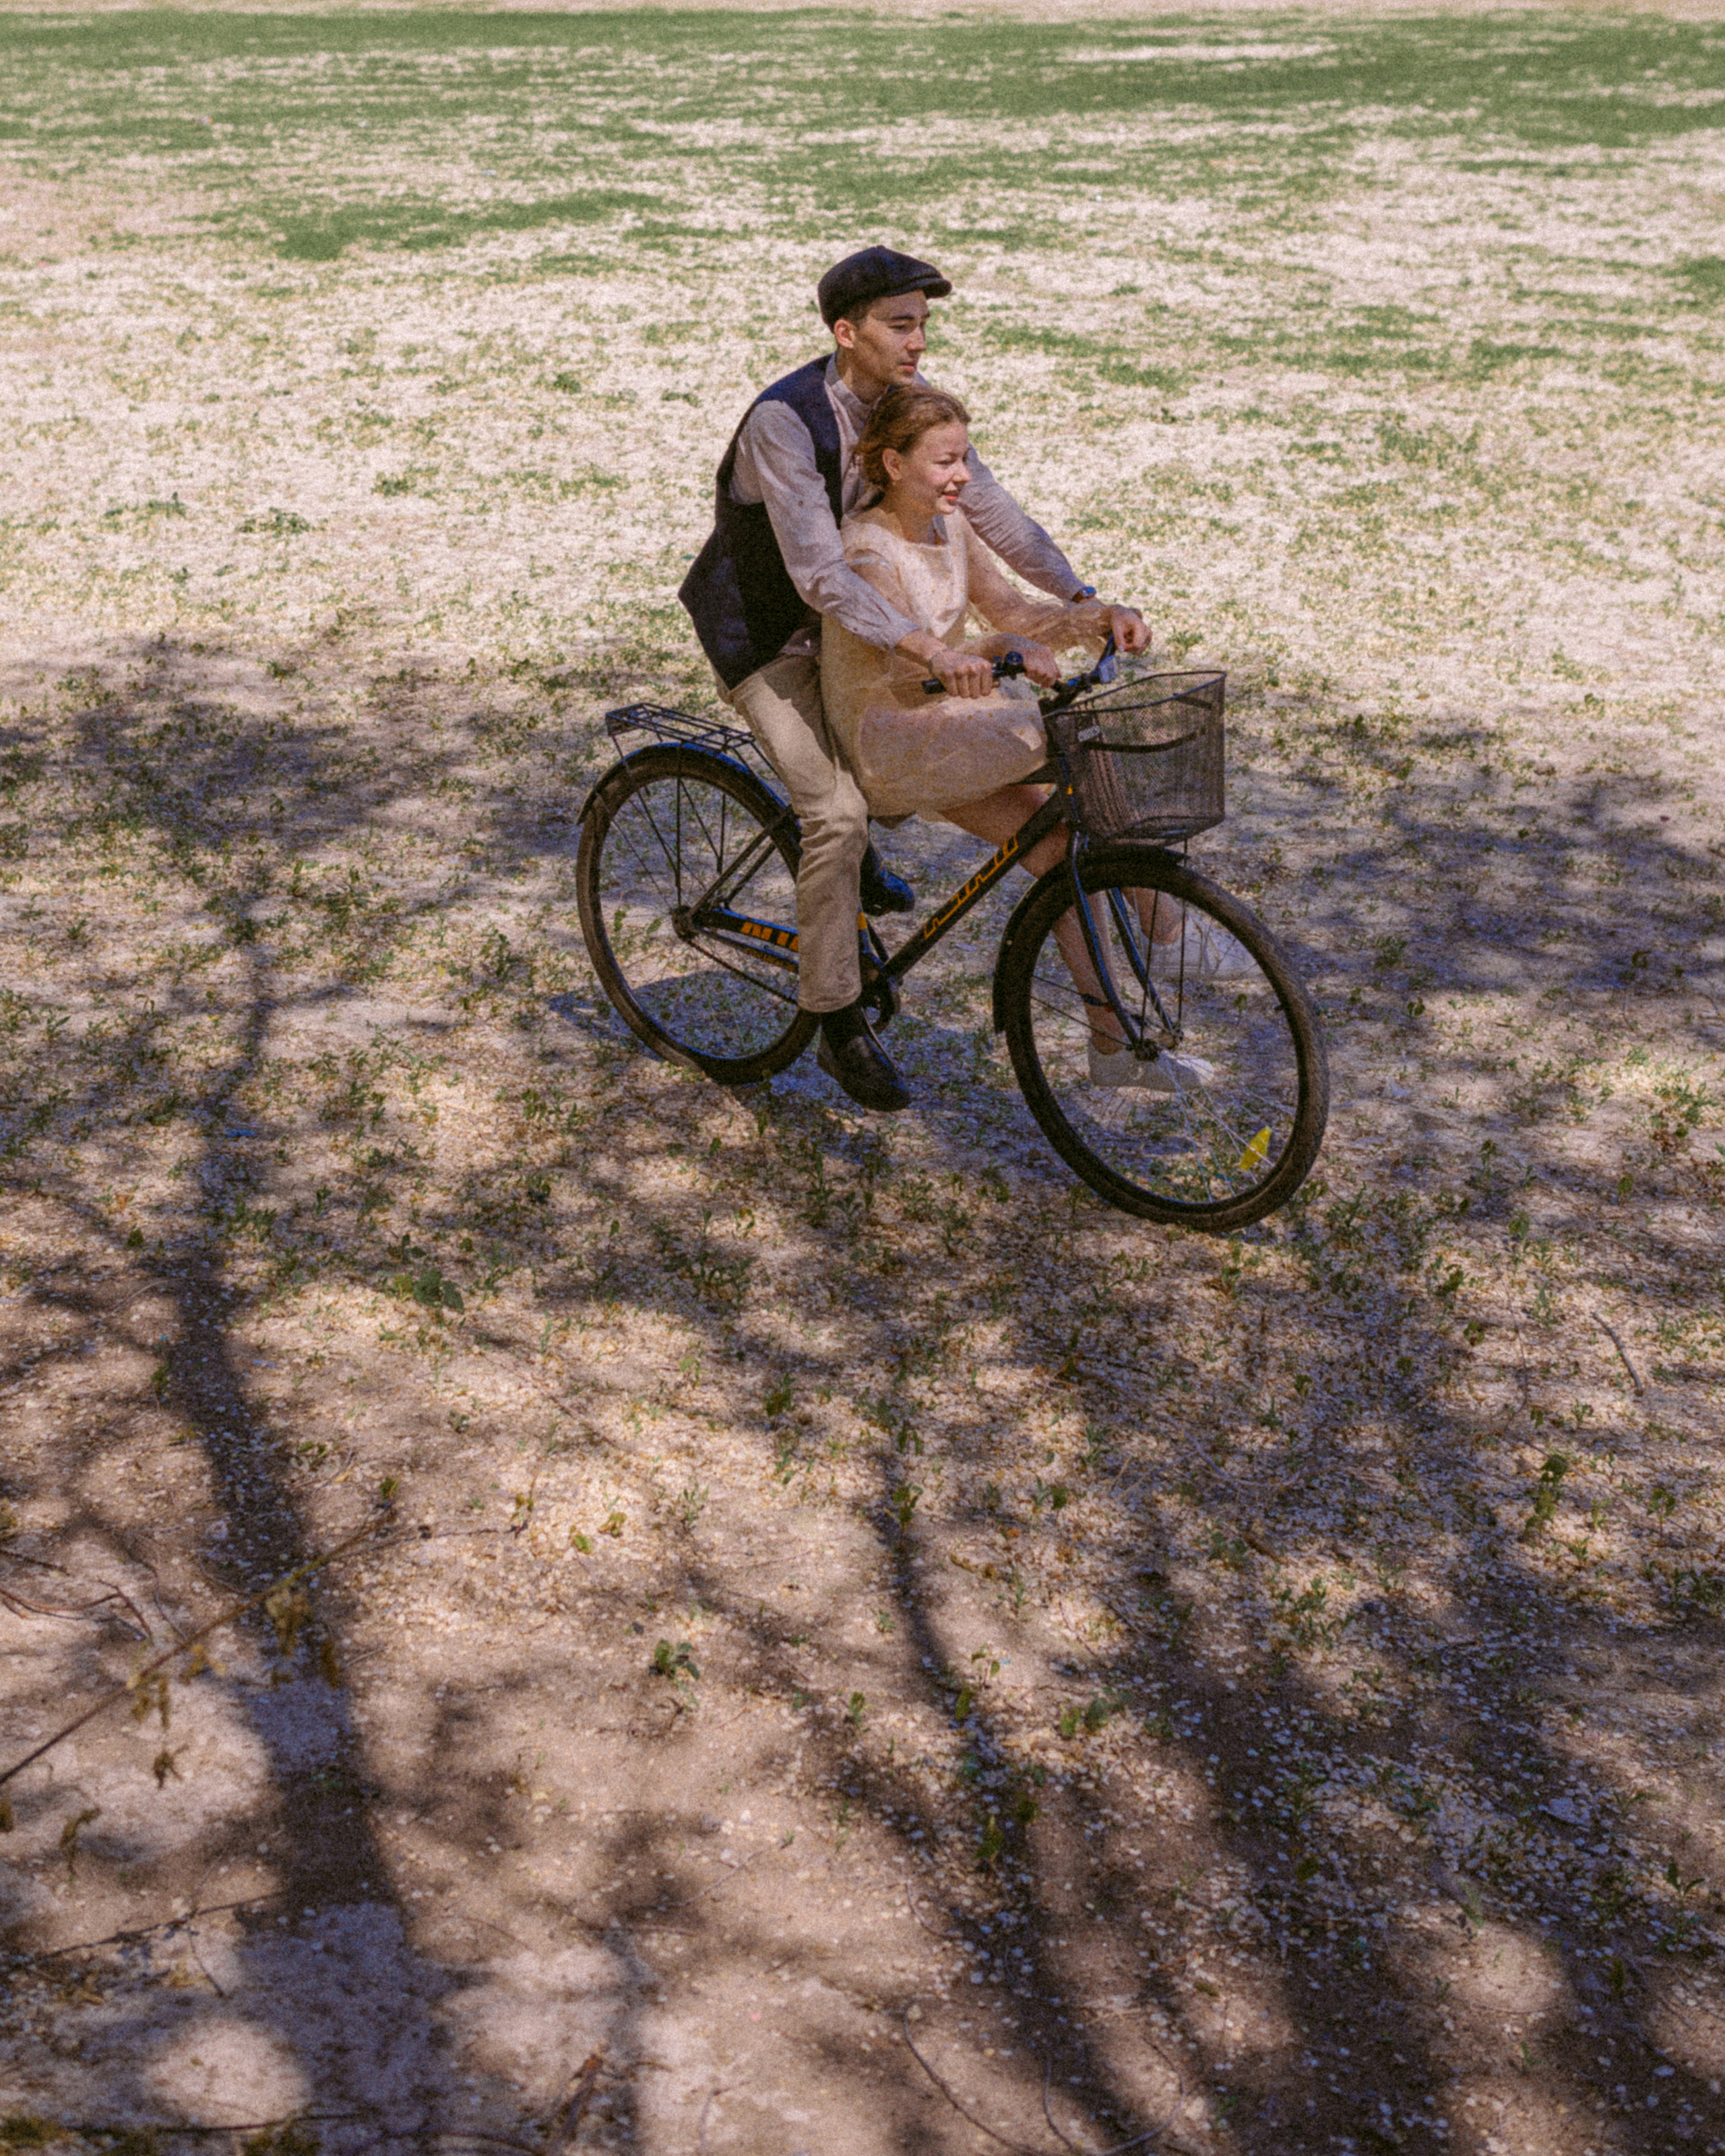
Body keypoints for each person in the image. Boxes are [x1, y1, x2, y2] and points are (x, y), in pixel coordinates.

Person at [679, 245, 1147, 1112]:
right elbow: (821, 575)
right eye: (900, 324)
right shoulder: (785, 421)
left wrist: (1082, 599)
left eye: (924, 323)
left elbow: (993, 516)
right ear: (844, 332)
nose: (918, 340)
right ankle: (837, 1021)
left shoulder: (908, 413)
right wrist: (931, 652)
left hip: (871, 641)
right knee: (835, 815)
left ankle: (1114, 1031)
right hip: (778, 637)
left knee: (1004, 806)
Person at [823, 385, 1235, 1091]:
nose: (960, 477)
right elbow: (901, 661)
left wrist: (1097, 616)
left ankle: (1110, 1046)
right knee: (1063, 742)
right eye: (943, 462)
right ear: (892, 463)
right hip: (890, 728)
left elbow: (1009, 606)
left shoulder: (950, 525)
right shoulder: (866, 550)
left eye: (963, 460)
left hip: (952, 722)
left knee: (1059, 847)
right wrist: (997, 646)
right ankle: (1166, 927)